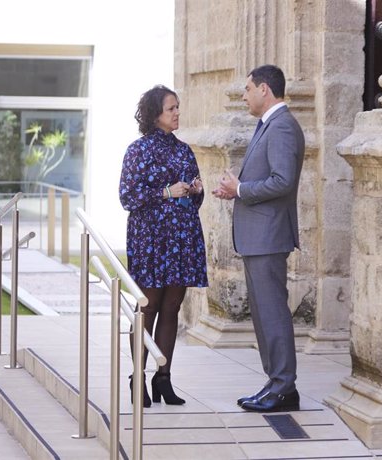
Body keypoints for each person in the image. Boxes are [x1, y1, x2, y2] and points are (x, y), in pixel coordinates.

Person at [212, 65, 305, 412]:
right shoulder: (268, 125)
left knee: (273, 314)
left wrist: (242, 188)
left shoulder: (281, 127)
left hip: (268, 237)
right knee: (264, 316)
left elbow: (282, 181)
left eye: (248, 88)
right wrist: (236, 190)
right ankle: (275, 384)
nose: (244, 95)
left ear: (265, 89)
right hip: (257, 237)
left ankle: (284, 388)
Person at [119, 84, 208, 407]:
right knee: (149, 307)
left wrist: (196, 190)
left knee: (173, 307)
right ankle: (136, 378)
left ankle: (163, 378)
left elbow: (195, 199)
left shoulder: (184, 149)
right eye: (171, 108)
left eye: (178, 107)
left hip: (182, 239)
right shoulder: (138, 151)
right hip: (151, 240)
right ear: (155, 113)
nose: (177, 113)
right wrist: (167, 193)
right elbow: (128, 198)